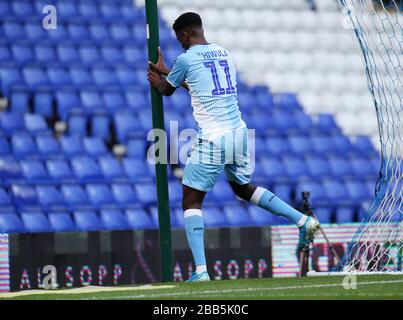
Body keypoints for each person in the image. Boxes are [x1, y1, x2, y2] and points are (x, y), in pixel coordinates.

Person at [147, 12, 320, 282]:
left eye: (178, 39)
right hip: (240, 133)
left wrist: (160, 81)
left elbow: (166, 91)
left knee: (191, 200)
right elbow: (202, 85)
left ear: (184, 35)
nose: (179, 44)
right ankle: (302, 221)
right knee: (243, 188)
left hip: (215, 137)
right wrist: (170, 74)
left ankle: (201, 271)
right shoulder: (225, 53)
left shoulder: (185, 58)